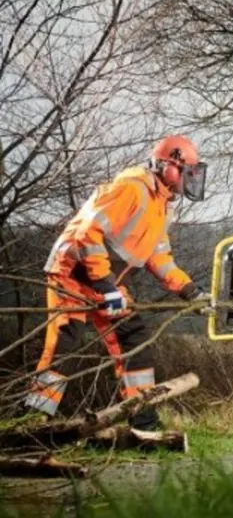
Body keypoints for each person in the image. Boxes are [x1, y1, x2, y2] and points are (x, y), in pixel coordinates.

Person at [21, 135, 211, 430]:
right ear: (168, 166)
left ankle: (143, 422)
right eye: (188, 170)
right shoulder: (132, 188)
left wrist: (191, 291)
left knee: (133, 340)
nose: (192, 178)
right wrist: (105, 285)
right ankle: (32, 423)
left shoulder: (162, 204)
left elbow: (159, 257)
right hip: (72, 274)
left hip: (107, 281)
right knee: (65, 343)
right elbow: (88, 233)